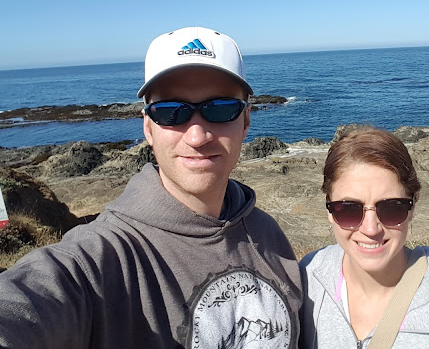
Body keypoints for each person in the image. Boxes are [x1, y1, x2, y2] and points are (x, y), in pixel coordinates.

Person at [0, 27, 301, 348]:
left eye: (221, 108)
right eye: (170, 112)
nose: (197, 136)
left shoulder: (268, 234)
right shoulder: (103, 256)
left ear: (245, 121)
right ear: (148, 127)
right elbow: (26, 302)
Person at [299, 127, 429, 348]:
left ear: (412, 206)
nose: (371, 229)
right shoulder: (306, 281)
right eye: (348, 209)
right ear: (329, 208)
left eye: (392, 208)